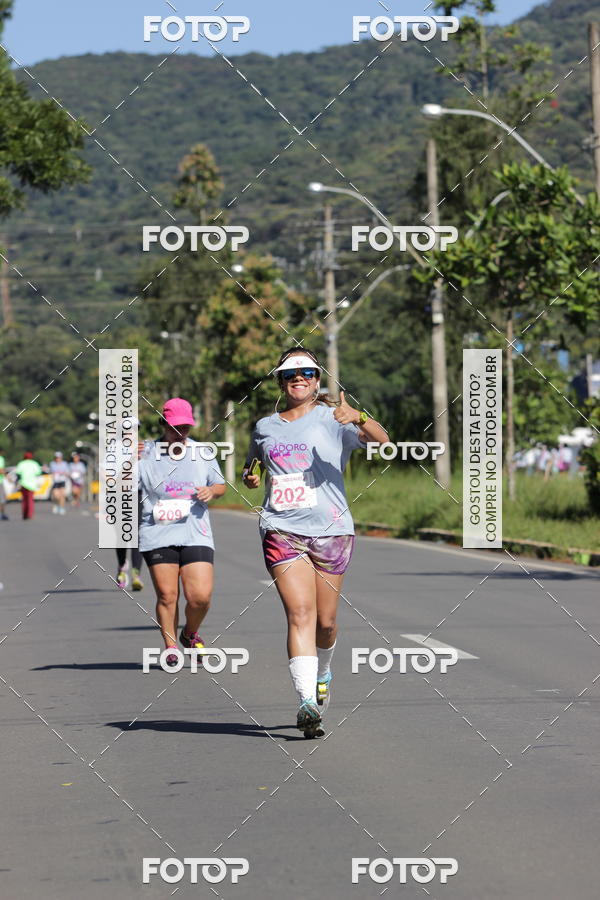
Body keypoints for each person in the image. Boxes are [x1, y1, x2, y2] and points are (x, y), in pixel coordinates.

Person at [243, 348, 389, 738]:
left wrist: (358, 416)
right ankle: (307, 702)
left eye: (306, 372)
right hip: (281, 529)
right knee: (300, 614)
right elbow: (253, 461)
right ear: (280, 381)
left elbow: (383, 440)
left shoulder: (333, 418)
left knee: (325, 623)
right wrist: (251, 476)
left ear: (317, 378)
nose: (298, 378)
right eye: (290, 374)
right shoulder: (264, 426)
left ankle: (324, 670)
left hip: (332, 530)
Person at [138, 397, 226, 667]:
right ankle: (170, 646)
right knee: (167, 595)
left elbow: (220, 484)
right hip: (157, 531)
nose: (180, 433)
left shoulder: (202, 452)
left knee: (200, 597)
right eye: (175, 427)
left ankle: (189, 633)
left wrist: (211, 491)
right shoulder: (144, 452)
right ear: (163, 424)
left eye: (185, 427)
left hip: (195, 531)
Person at [14, 451, 42, 520]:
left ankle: (25, 514)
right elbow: (38, 473)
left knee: (24, 500)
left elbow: (18, 474)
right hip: (32, 484)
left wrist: (17, 483)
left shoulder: (21, 463)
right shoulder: (34, 463)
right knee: (30, 500)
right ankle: (29, 514)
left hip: (23, 484)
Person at [0, 450, 8, 520]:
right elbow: (1, 470)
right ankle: (2, 514)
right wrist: (8, 477)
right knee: (2, 498)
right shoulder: (0, 458)